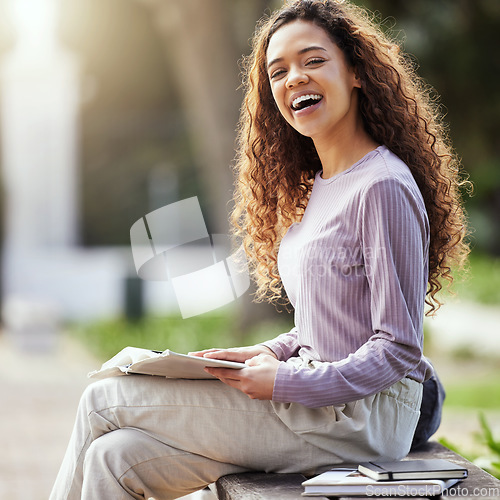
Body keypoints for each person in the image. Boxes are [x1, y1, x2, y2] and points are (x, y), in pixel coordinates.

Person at [50, 1, 469, 498]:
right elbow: (326, 324)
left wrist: (285, 383)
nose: (295, 78)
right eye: (279, 71)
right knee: (114, 457)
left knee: (103, 399)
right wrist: (262, 354)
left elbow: (398, 347)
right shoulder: (320, 188)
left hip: (361, 419)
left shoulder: (382, 186)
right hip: (318, 402)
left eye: (313, 61)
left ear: (356, 71)